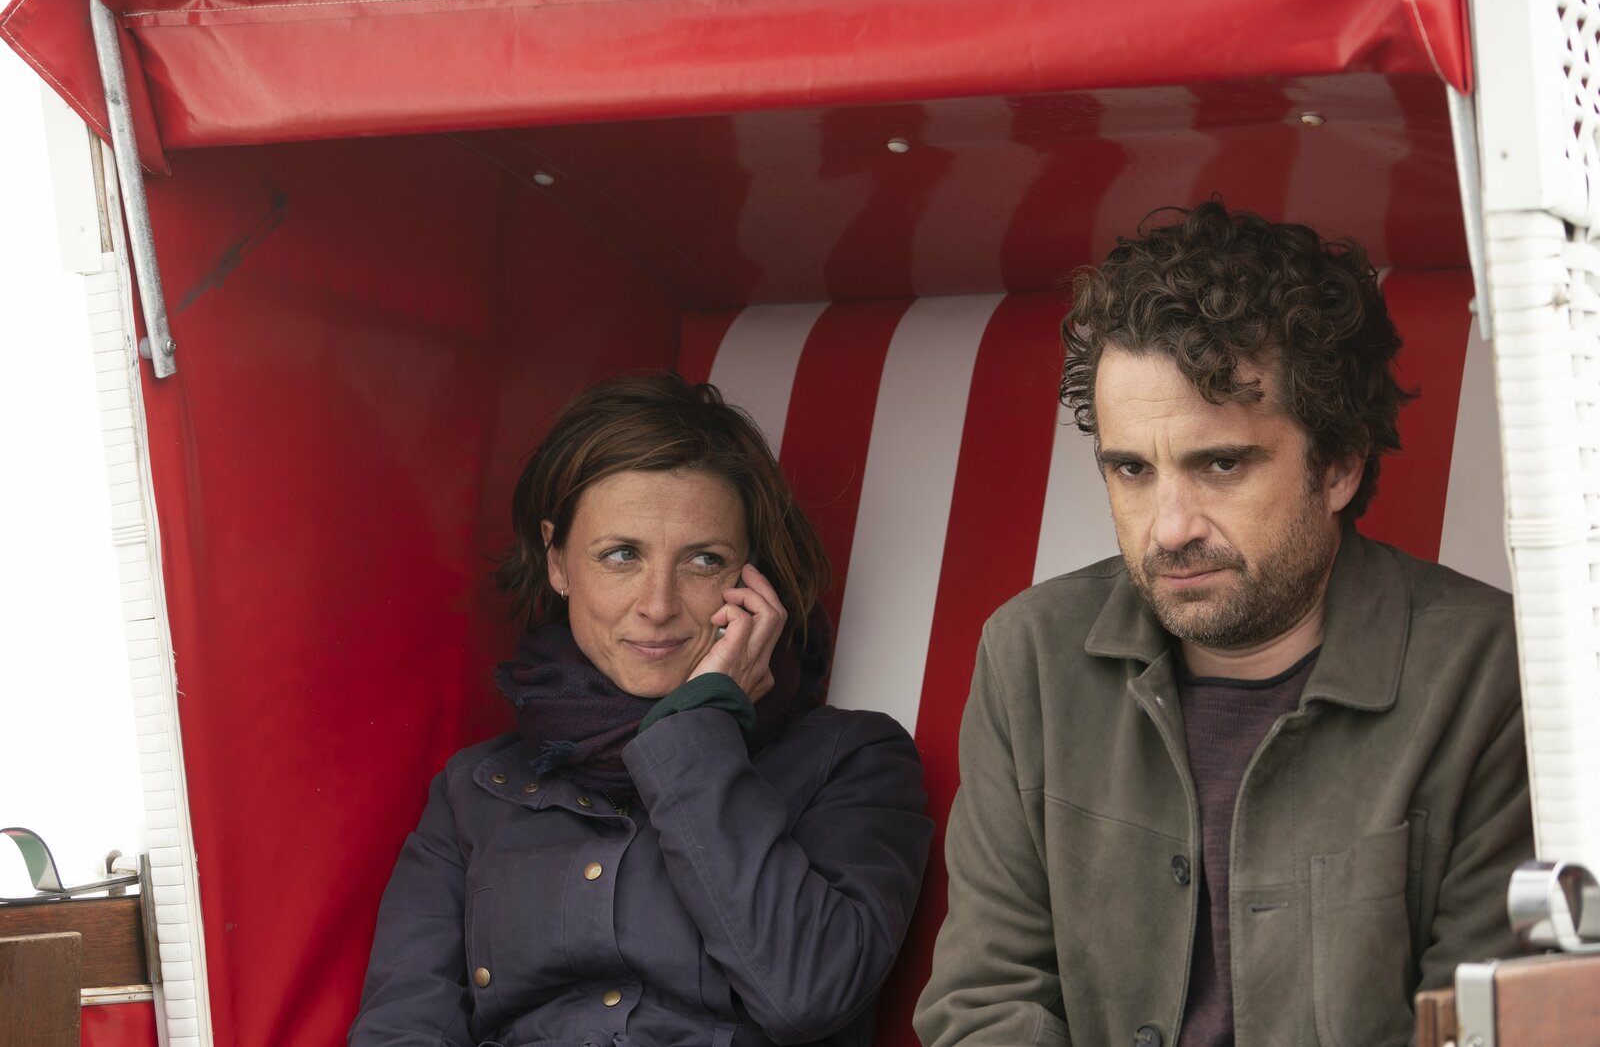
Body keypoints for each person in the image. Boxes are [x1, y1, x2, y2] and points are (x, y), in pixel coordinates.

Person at [914, 202, 1533, 1047]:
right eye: (1132, 470)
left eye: (1221, 463)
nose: (1170, 527)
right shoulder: (1030, 657)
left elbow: (1487, 1025)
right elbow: (986, 1004)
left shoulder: (1487, 671)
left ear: (1339, 465)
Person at [350, 373, 933, 1047]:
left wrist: (700, 724)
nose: (658, 605)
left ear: (753, 577)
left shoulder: (854, 761)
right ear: (558, 561)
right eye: (622, 555)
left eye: (703, 560)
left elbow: (806, 995)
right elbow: (401, 1028)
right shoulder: (475, 790)